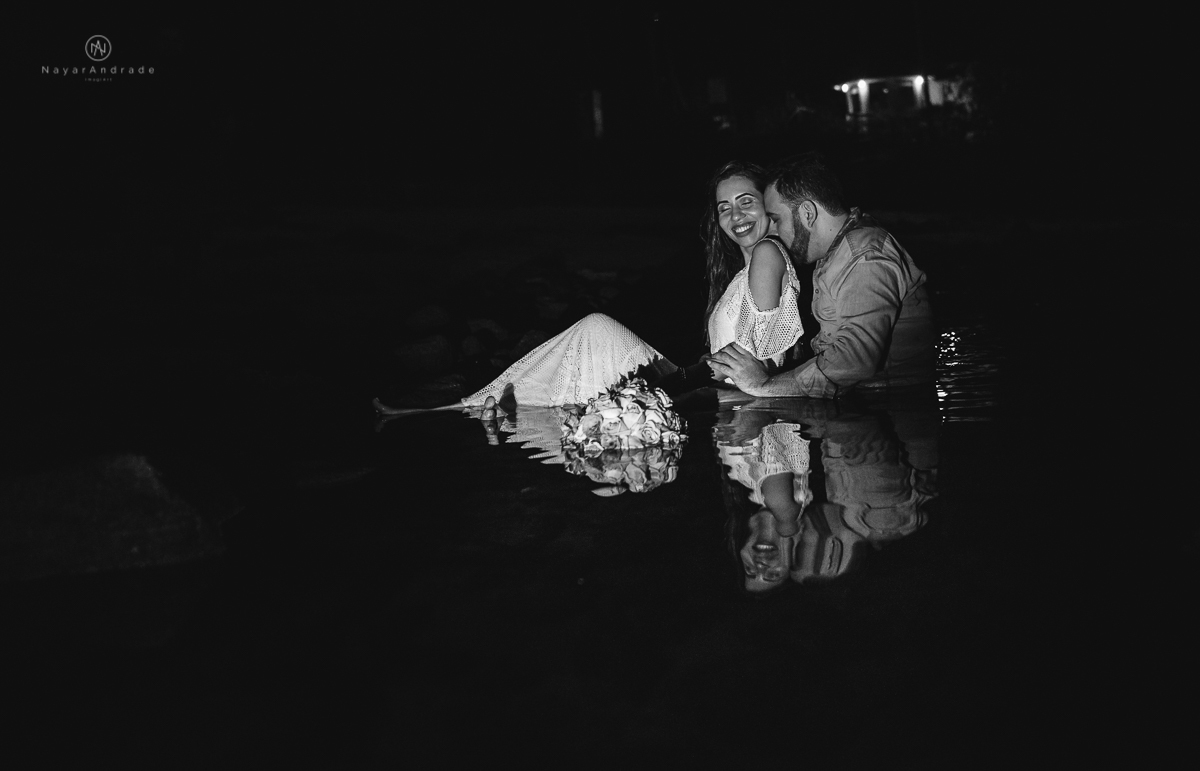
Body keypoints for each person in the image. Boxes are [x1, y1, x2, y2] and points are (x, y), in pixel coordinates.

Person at [374, 161, 806, 418]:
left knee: (593, 337)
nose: (735, 215)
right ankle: (485, 402)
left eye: (746, 201)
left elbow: (762, 358)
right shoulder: (750, 265)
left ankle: (476, 404)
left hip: (720, 397)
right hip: (706, 383)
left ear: (768, 206)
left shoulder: (767, 253)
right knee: (590, 336)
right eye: (724, 207)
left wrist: (686, 387)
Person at [707, 153, 936, 400]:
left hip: (890, 411)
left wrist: (764, 386)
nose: (772, 229)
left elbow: (854, 360)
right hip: (866, 406)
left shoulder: (865, 256)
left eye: (776, 219)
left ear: (807, 213)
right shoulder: (836, 255)